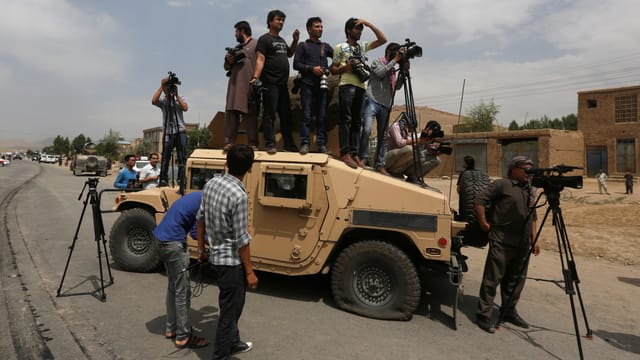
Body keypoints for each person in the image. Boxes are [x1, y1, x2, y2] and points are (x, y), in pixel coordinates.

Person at [197, 144, 258, 359]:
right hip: (230, 262)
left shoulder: (211, 183)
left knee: (236, 303)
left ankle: (233, 341)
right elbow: (242, 238)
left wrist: (201, 249)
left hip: (215, 257)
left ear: (226, 163)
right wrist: (250, 271)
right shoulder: (239, 195)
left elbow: (201, 218)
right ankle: (221, 354)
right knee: (229, 311)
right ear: (249, 168)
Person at [474, 156, 540, 334]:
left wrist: (535, 238)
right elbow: (480, 200)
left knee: (516, 280)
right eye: (525, 169)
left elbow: (533, 215)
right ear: (514, 169)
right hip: (502, 239)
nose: (529, 172)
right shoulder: (502, 184)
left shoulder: (530, 189)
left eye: (531, 169)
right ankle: (484, 314)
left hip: (523, 242)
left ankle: (509, 311)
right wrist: (483, 222)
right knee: (492, 278)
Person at [153, 192, 209, 349]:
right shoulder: (205, 202)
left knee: (173, 287)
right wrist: (214, 242)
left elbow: (193, 228)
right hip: (173, 244)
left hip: (160, 240)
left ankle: (171, 328)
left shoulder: (196, 197)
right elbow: (195, 232)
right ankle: (183, 336)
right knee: (182, 292)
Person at [330, 18, 386, 168]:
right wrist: (346, 68)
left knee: (357, 122)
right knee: (346, 120)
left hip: (362, 86)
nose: (360, 31)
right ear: (349, 30)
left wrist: (369, 24)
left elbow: (383, 40)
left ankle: (354, 154)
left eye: (361, 29)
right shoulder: (340, 47)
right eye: (357, 29)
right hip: (347, 85)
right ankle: (345, 153)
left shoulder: (363, 46)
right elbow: (333, 69)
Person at [251, 10, 299, 154]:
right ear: (270, 21)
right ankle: (270, 143)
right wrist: (255, 76)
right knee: (269, 114)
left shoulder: (282, 40)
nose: (281, 22)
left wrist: (295, 40)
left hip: (282, 84)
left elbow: (289, 53)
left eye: (283, 20)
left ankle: (288, 143)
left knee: (285, 115)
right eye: (278, 19)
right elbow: (260, 59)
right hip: (269, 83)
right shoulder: (264, 39)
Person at [359, 42, 404, 173]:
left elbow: (398, 86)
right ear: (390, 51)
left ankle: (380, 164)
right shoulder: (378, 61)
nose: (398, 56)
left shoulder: (394, 68)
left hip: (386, 104)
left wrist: (403, 72)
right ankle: (363, 158)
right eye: (396, 53)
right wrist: (395, 60)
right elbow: (380, 73)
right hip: (372, 100)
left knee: (383, 137)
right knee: (366, 129)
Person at [292, 17, 333, 155]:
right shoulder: (303, 46)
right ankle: (305, 143)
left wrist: (330, 68)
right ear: (309, 29)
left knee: (322, 116)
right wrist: (311, 69)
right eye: (317, 26)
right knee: (306, 115)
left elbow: (339, 58)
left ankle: (321, 144)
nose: (320, 29)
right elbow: (296, 64)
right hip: (307, 85)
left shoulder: (325, 47)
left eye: (321, 26)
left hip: (322, 86)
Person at [224, 21, 259, 152]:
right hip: (234, 85)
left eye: (236, 32)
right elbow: (226, 67)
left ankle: (253, 143)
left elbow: (261, 61)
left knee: (250, 114)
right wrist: (228, 60)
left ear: (242, 31)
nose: (235, 34)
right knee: (231, 113)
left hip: (250, 85)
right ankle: (229, 142)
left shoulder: (256, 44)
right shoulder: (236, 48)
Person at [152, 75, 189, 188]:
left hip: (180, 131)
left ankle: (181, 179)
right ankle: (163, 179)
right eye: (167, 87)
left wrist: (176, 95)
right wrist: (161, 86)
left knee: (182, 156)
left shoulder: (179, 97)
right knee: (165, 157)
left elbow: (185, 107)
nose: (169, 89)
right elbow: (153, 101)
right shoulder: (163, 100)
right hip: (168, 132)